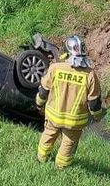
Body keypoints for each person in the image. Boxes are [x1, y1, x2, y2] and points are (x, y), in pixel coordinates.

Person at [35, 35, 103, 169]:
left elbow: (43, 91)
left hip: (53, 116)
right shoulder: (90, 75)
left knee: (48, 135)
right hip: (75, 122)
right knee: (68, 143)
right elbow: (94, 104)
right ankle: (61, 167)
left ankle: (41, 160)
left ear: (66, 52)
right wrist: (97, 116)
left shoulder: (55, 68)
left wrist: (39, 104)